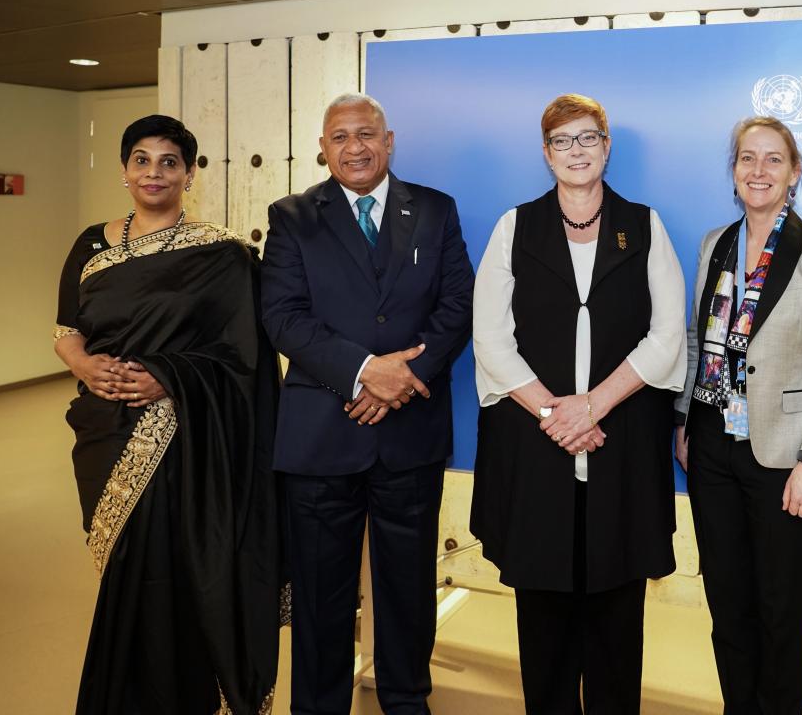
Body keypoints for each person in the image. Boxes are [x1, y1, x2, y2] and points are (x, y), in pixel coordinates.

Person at [54, 114, 282, 714]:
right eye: (142, 160)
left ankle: (183, 696)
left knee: (175, 571)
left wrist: (172, 377)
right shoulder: (91, 244)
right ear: (125, 168)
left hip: (184, 438)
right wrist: (84, 367)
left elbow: (244, 359)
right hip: (103, 431)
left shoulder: (224, 257)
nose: (154, 172)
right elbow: (65, 331)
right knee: (125, 567)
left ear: (189, 174)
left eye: (169, 162)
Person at [470, 93, 687, 713]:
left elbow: (668, 334)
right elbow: (490, 337)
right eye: (562, 141)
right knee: (543, 617)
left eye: (588, 137)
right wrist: (554, 413)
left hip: (620, 442)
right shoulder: (515, 226)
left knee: (618, 614)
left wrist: (591, 406)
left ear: (607, 145)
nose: (576, 151)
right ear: (545, 153)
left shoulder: (645, 224)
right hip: (536, 446)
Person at [261, 93, 474, 715]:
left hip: (409, 432)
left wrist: (401, 379)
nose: (354, 147)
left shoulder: (435, 210)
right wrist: (362, 373)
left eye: (366, 134)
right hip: (321, 435)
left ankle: (407, 699)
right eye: (340, 136)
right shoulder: (292, 216)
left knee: (407, 587)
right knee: (322, 593)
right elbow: (282, 316)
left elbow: (456, 305)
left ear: (389, 140)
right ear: (322, 147)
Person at [673, 116, 802, 715]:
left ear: (795, 172)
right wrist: (683, 421)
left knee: (783, 611)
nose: (759, 171)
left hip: (786, 456)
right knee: (728, 605)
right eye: (747, 158)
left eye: (773, 159)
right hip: (712, 448)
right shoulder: (713, 244)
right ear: (733, 171)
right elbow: (699, 341)